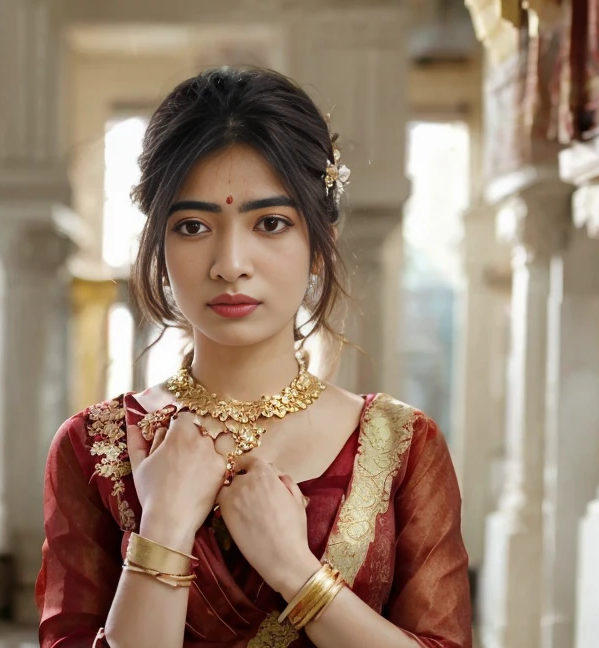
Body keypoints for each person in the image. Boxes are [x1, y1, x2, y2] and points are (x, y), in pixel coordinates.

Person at [34, 66, 472, 648]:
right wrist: (163, 525)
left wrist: (294, 568)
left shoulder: (403, 446)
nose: (230, 262)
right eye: (193, 226)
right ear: (158, 250)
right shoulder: (97, 446)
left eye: (270, 223)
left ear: (320, 246)